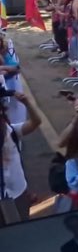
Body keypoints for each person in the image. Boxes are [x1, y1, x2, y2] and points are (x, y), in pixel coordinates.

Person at [0, 91, 42, 225]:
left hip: (19, 192)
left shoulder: (11, 131)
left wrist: (27, 103)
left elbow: (36, 122)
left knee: (23, 225)